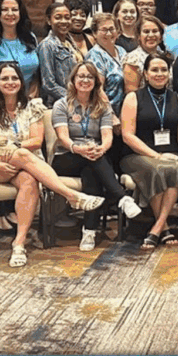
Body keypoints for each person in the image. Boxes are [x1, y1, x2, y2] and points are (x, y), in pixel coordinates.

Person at [0, 62, 105, 267]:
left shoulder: (32, 107)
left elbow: (35, 141)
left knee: (29, 180)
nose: (10, 82)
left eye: (15, 78)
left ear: (21, 82)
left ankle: (19, 244)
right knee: (22, 155)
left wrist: (14, 148)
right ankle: (71, 196)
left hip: (21, 162)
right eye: (5, 78)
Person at [51, 62, 142, 252]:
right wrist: (78, 148)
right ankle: (122, 198)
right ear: (73, 80)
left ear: (96, 82)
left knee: (91, 171)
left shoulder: (102, 106)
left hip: (93, 155)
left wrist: (101, 148)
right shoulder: (61, 104)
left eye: (89, 77)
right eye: (81, 76)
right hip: (67, 156)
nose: (85, 80)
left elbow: (107, 136)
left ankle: (89, 232)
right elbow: (62, 137)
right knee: (94, 161)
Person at [121, 55, 178, 249]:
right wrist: (156, 156)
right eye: (154, 70)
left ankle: (158, 227)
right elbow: (128, 136)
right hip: (137, 156)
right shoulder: (133, 98)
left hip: (172, 154)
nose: (159, 74)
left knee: (174, 166)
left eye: (163, 70)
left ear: (169, 73)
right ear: (145, 73)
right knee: (159, 167)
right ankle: (164, 227)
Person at [37, 2, 83, 107]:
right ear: (49, 21)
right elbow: (48, 84)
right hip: (57, 105)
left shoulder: (70, 42)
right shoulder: (47, 45)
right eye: (58, 17)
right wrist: (75, 99)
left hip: (75, 103)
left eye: (67, 17)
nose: (63, 21)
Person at [85, 13, 129, 115]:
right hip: (105, 114)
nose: (109, 34)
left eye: (112, 29)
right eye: (104, 30)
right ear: (94, 33)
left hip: (125, 112)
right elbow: (97, 90)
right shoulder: (94, 56)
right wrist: (111, 116)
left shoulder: (122, 51)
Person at [123, 15, 172, 93]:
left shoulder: (166, 56)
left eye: (155, 31)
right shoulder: (132, 59)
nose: (151, 35)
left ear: (161, 36)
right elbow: (131, 92)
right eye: (146, 31)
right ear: (139, 36)